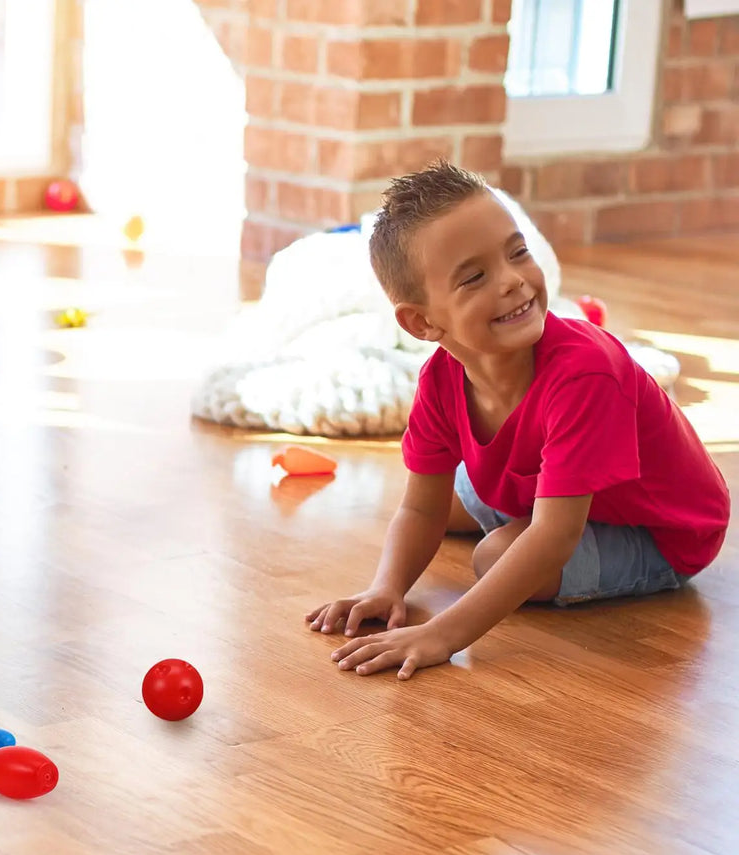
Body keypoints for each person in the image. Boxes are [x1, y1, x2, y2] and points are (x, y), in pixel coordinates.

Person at [305, 161, 730, 681]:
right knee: (455, 496)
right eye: (475, 277)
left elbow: (553, 538)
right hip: (559, 496)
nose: (513, 282)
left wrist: (443, 632)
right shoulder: (440, 377)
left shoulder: (586, 372)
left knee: (497, 555)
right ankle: (511, 515)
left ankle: (526, 530)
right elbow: (420, 508)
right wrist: (386, 588)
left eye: (517, 252)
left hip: (662, 533)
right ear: (422, 322)